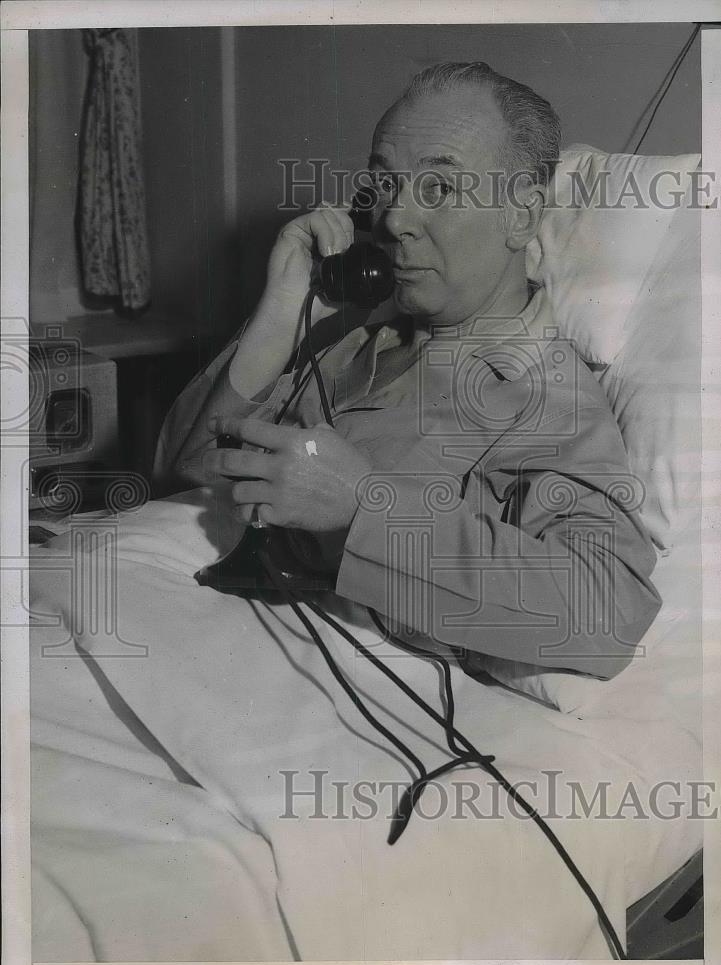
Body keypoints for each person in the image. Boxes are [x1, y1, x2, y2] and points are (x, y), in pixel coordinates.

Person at [154, 61, 661, 680]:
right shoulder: (357, 345)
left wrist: (364, 507)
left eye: (440, 189)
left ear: (521, 214)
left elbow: (606, 615)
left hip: (311, 675)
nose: (394, 219)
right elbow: (184, 468)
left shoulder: (542, 394)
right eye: (386, 186)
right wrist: (282, 311)